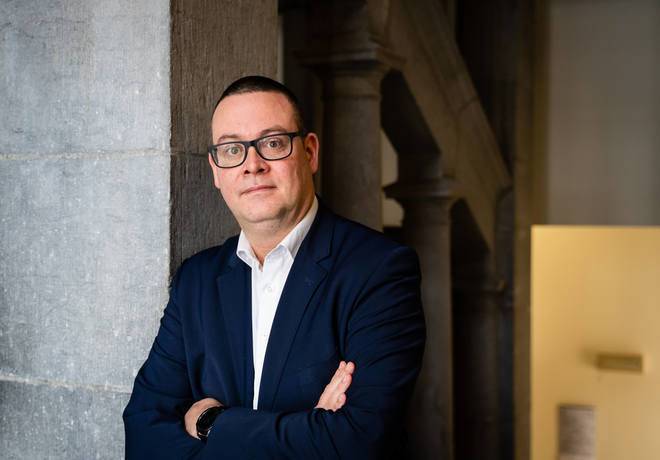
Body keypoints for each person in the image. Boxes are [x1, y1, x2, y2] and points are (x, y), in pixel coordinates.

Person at [123, 75, 426, 459]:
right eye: (232, 149)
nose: (252, 165)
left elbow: (357, 442)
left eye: (272, 143)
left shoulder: (378, 270)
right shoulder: (195, 281)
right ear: (217, 171)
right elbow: (144, 434)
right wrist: (308, 431)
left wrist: (210, 422)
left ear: (310, 152)